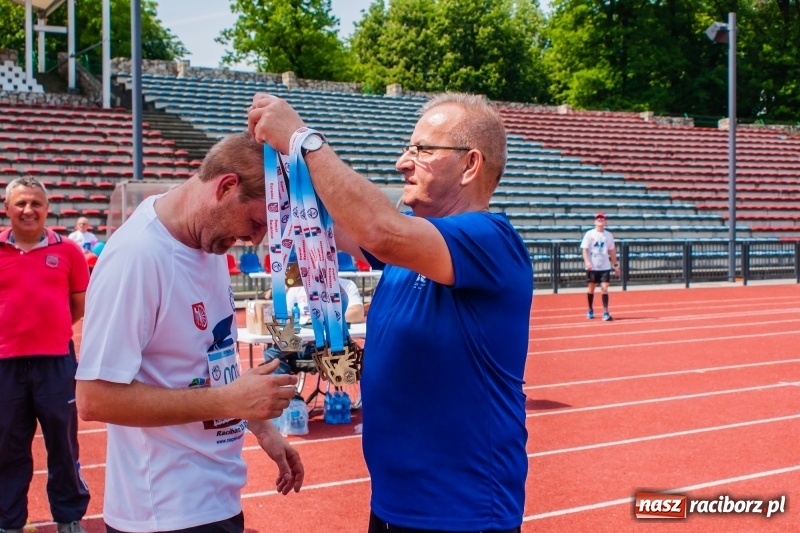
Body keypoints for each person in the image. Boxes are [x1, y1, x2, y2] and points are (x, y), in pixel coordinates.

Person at [249, 93, 532, 533]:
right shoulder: (408, 253)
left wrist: (304, 140)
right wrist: (283, 162)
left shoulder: (490, 239)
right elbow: (332, 219)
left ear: (470, 165)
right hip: (393, 505)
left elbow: (379, 230)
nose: (403, 162)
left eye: (422, 150)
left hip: (461, 513)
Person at [74, 132, 304, 533]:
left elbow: (214, 354)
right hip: (162, 511)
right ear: (226, 186)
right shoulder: (138, 257)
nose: (255, 239)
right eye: (255, 222)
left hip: (216, 495)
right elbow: (94, 398)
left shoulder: (207, 242)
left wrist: (263, 428)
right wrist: (228, 400)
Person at [0, 177, 91, 533]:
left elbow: (78, 304)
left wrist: (48, 329)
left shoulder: (68, 251)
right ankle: (9, 521)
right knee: (6, 448)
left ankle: (68, 518)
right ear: (7, 209)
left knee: (64, 448)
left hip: (56, 362)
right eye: (21, 203)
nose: (28, 210)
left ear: (47, 209)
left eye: (36, 203)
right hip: (5, 365)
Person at [262, 261, 366, 375]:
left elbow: (357, 313)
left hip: (331, 343)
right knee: (271, 354)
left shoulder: (346, 285)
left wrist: (325, 319)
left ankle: (285, 389)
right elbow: (283, 314)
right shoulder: (298, 287)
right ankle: (286, 390)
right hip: (302, 342)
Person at [580, 212, 620, 321]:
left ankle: (606, 312)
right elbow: (585, 249)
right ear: (595, 221)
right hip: (592, 266)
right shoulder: (589, 234)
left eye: (602, 219)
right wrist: (587, 262)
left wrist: (615, 265)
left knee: (604, 288)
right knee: (591, 288)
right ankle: (590, 309)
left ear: (605, 222)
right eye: (598, 219)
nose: (600, 221)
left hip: (604, 267)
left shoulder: (608, 235)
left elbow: (611, 251)